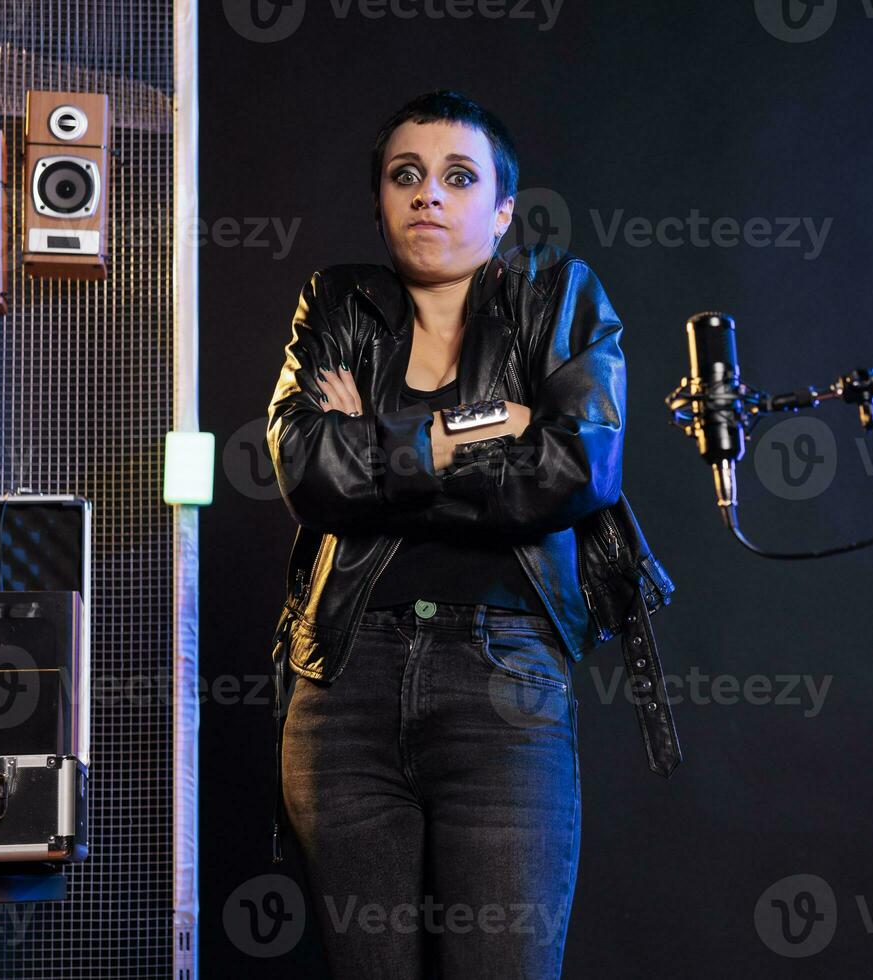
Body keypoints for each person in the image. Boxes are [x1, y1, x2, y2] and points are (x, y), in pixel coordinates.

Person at [265, 90, 626, 979]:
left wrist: (379, 454)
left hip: (505, 682)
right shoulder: (339, 303)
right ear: (383, 201)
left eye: (459, 178)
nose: (428, 194)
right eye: (406, 176)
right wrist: (467, 432)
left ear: (501, 212)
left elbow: (578, 470)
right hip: (342, 686)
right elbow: (308, 471)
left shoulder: (558, 296)